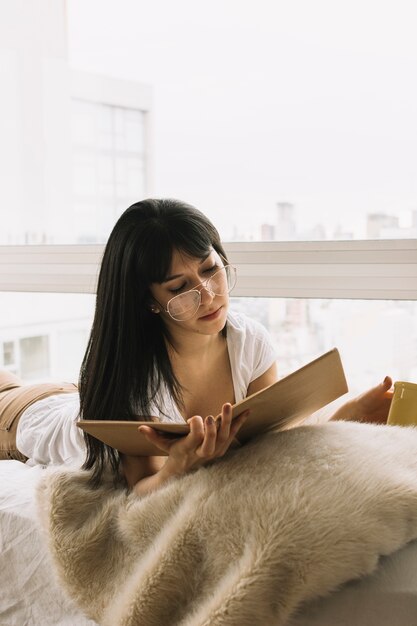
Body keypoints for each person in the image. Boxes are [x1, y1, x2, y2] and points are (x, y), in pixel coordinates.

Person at [0, 198, 393, 494]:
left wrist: (344, 417)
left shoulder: (249, 340)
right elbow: (141, 489)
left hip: (75, 399)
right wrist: (177, 468)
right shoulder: (135, 376)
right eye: (179, 288)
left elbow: (269, 441)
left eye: (210, 269)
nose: (207, 295)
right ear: (148, 300)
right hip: (23, 418)